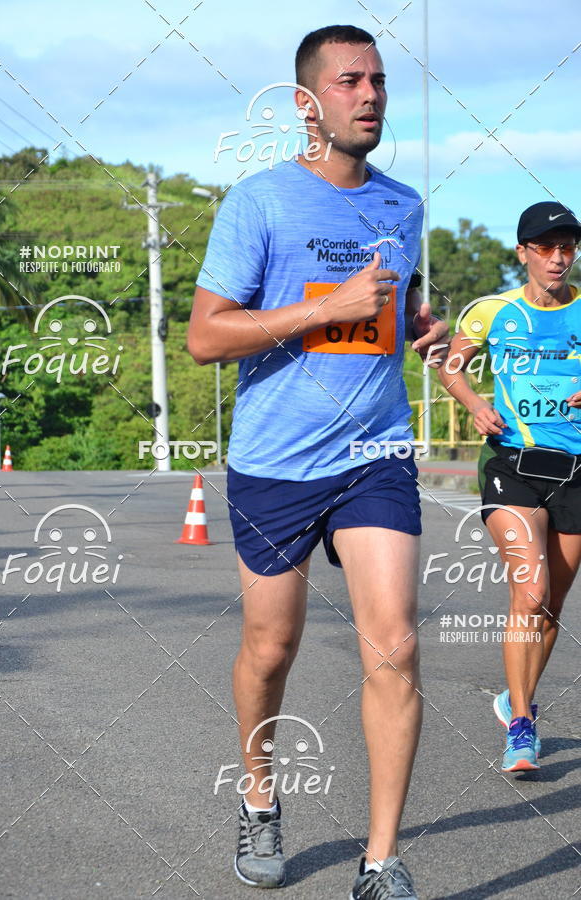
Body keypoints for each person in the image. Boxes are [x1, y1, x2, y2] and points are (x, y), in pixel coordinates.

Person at [189, 24, 447, 898]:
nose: (370, 94)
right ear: (308, 103)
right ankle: (260, 799)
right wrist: (324, 305)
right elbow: (203, 338)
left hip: (375, 453)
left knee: (396, 647)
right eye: (349, 82)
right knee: (271, 646)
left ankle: (381, 861)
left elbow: (394, 313)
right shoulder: (257, 203)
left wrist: (418, 329)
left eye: (377, 80)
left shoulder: (406, 205)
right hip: (275, 461)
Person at [438, 201, 581, 773]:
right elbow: (451, 365)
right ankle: (522, 726)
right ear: (522, 252)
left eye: (567, 247)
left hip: (575, 469)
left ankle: (512, 696)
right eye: (545, 247)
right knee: (531, 591)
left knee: (552, 606)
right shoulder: (493, 311)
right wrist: (474, 404)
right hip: (512, 464)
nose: (558, 257)